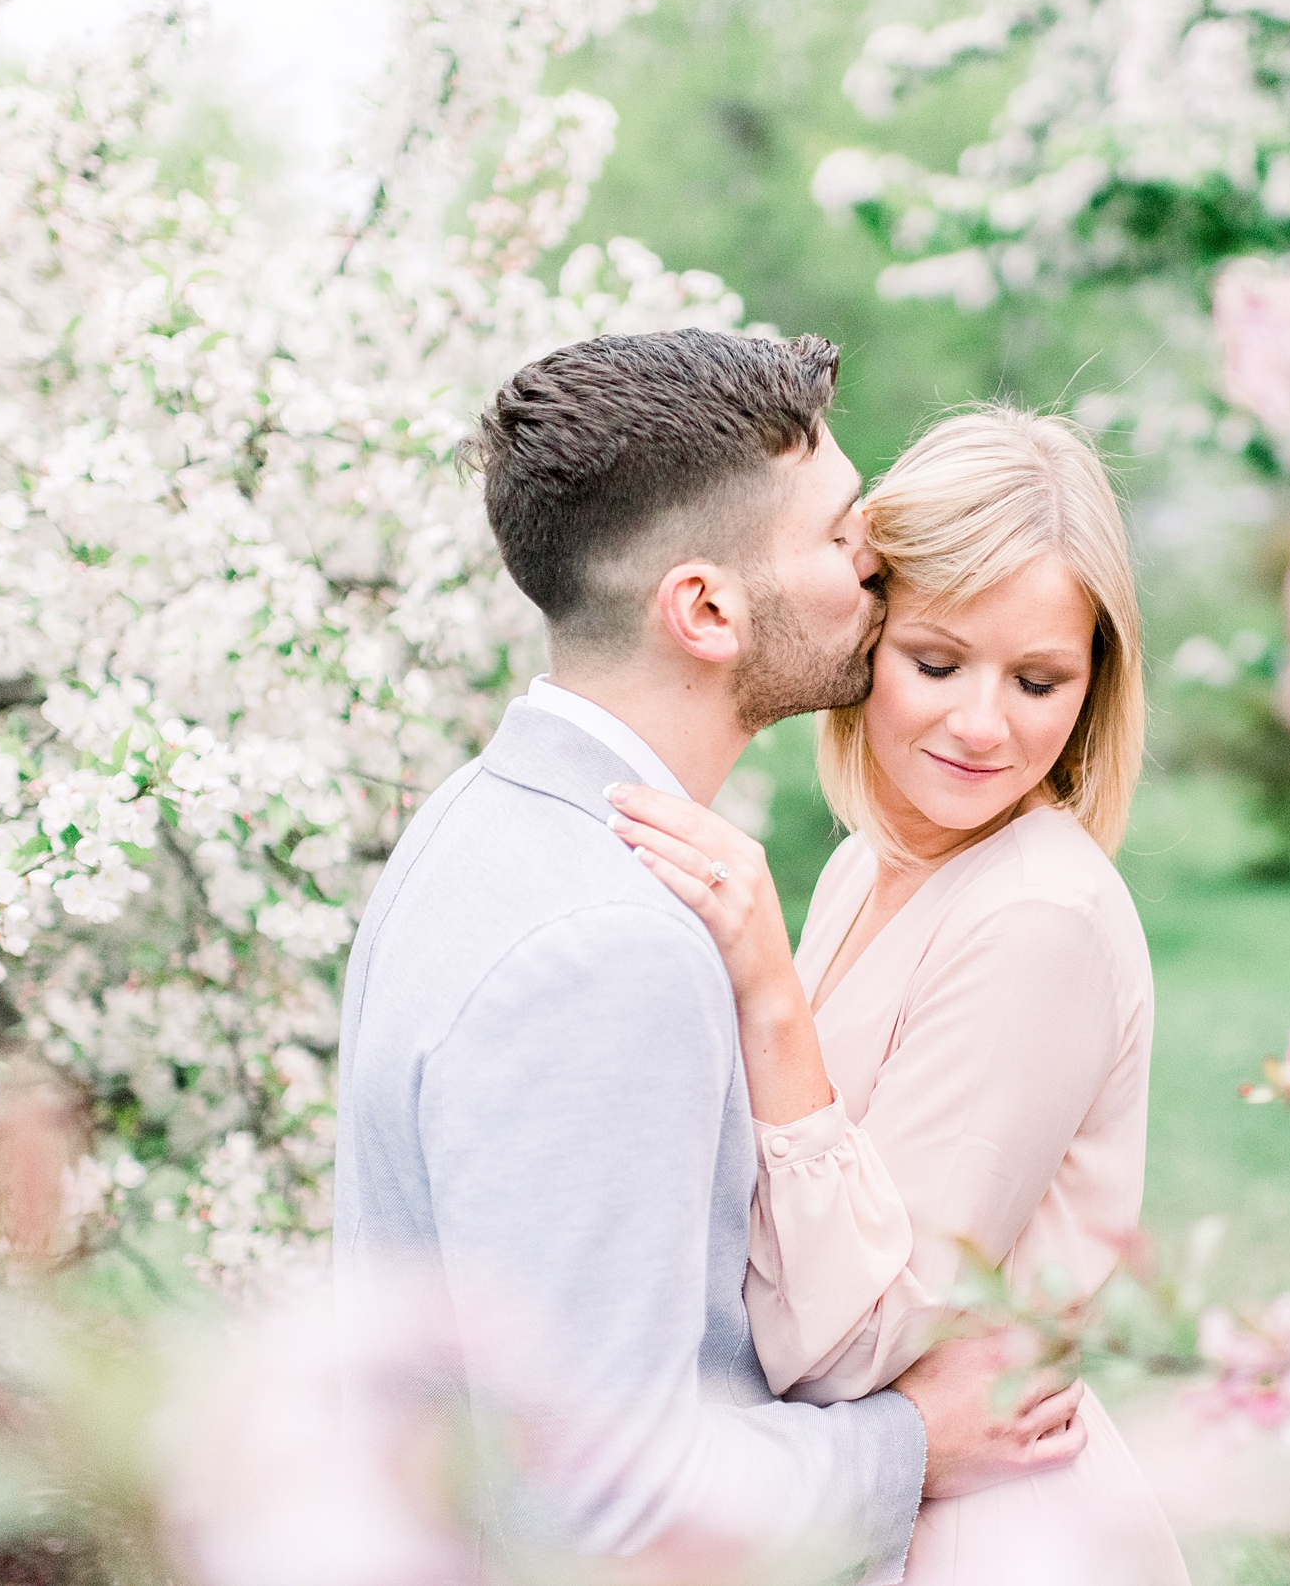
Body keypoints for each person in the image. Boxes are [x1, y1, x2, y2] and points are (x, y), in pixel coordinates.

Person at [330, 335, 1089, 1585]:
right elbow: (600, 1506)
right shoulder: (607, 949)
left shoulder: (475, 820)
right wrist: (909, 1445)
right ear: (707, 609)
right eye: (844, 536)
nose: (880, 565)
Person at [608, 408, 1190, 1584]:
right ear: (866, 635)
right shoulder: (864, 864)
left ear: (1096, 686)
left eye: (1039, 680)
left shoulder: (1037, 917)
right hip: (873, 1517)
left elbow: (858, 1343)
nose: (983, 725)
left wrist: (770, 996)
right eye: (937, 662)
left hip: (985, 1535)